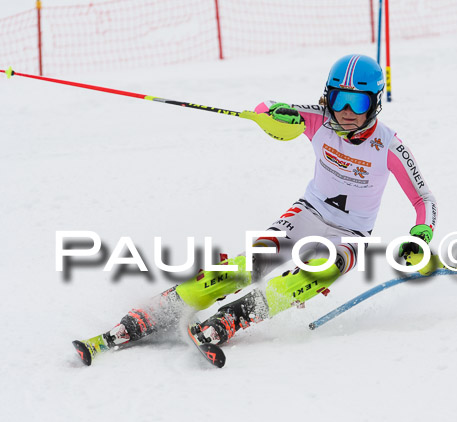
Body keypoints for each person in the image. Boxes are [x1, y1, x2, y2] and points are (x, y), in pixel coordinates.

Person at [73, 54, 438, 365]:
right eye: (339, 99)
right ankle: (161, 309)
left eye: (357, 103)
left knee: (318, 272)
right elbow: (266, 110)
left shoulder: (387, 145)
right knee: (253, 263)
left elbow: (425, 200)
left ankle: (232, 318)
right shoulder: (321, 119)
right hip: (307, 213)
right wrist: (275, 115)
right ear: (328, 97)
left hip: (352, 234)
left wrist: (421, 234)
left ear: (374, 103)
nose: (345, 112)